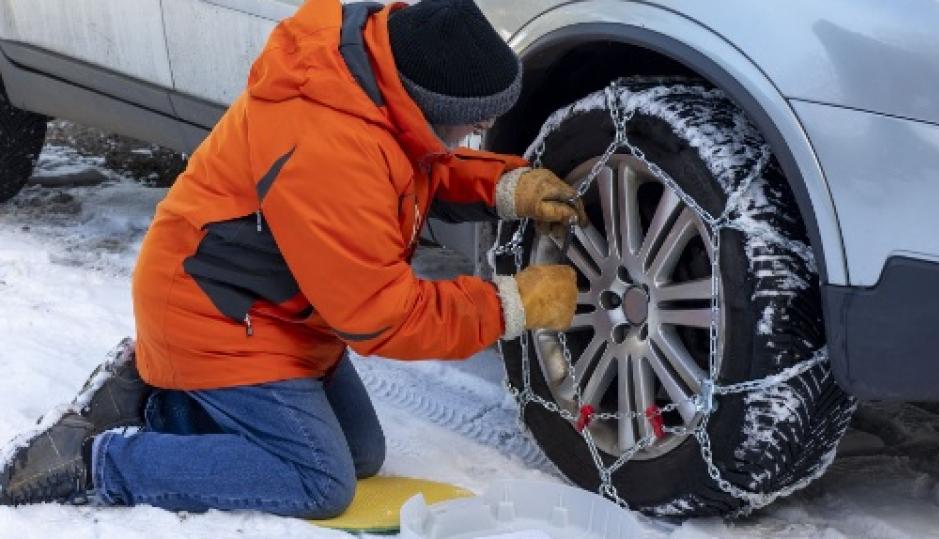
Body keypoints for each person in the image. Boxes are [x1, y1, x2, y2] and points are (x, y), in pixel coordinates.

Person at [0, 0, 586, 518]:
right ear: (424, 101)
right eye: (477, 115)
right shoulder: (330, 149)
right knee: (319, 480)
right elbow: (384, 318)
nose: (485, 125)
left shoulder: (374, 81)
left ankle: (154, 399)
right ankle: (96, 458)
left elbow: (414, 165)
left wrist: (506, 187)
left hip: (279, 311)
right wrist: (514, 304)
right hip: (215, 316)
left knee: (361, 454)